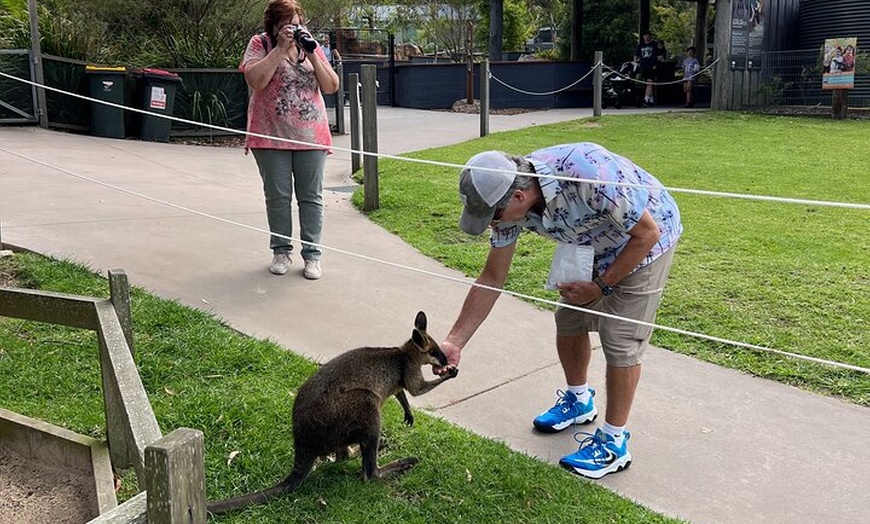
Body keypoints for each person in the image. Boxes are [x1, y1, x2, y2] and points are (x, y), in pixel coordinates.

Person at [438, 144, 683, 479]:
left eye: (493, 215)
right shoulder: (513, 201)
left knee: (621, 339)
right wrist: (455, 341)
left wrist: (601, 286)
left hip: (644, 240)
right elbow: (493, 277)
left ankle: (614, 444)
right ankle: (579, 401)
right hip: (588, 240)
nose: (492, 224)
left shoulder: (589, 176)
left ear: (519, 198)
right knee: (568, 319)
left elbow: (647, 234)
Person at [239, 0, 339, 279]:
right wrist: (281, 49)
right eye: (287, 25)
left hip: (311, 136)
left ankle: (312, 256)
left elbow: (331, 86)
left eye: (297, 23)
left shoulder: (311, 46)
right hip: (270, 135)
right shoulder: (260, 44)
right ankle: (281, 251)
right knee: (278, 198)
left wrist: (312, 53)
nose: (293, 29)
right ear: (273, 26)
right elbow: (255, 80)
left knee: (311, 198)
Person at [635, 32, 658, 107]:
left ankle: (646, 99)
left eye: (649, 36)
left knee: (649, 82)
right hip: (643, 65)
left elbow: (658, 54)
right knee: (647, 82)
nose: (647, 37)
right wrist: (636, 64)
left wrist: (655, 64)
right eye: (646, 35)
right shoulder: (640, 45)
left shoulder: (654, 45)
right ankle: (651, 99)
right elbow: (636, 55)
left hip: (652, 66)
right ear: (643, 36)